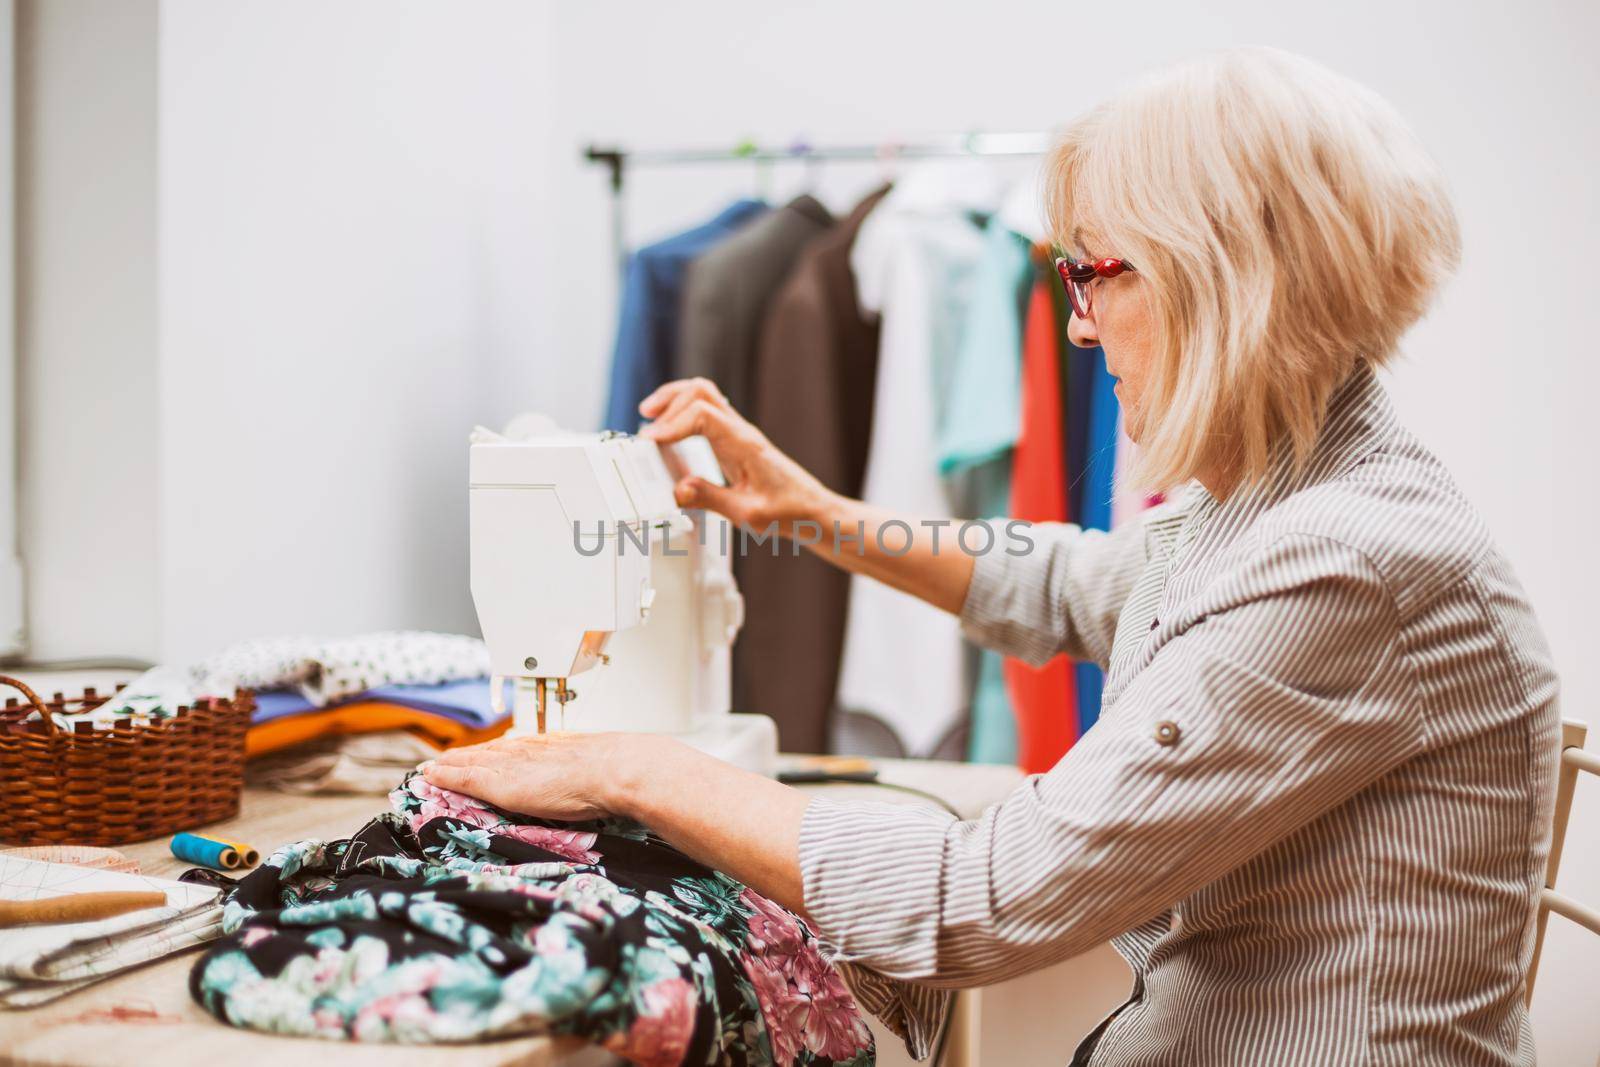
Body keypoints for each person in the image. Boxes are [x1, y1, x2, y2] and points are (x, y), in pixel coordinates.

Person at [426, 47, 1559, 1065]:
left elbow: (978, 900)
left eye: (1090, 275)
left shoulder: (1344, 561)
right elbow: (1056, 579)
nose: (1075, 326)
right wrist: (807, 506)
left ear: (1219, 276)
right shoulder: (1278, 500)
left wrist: (635, 767)